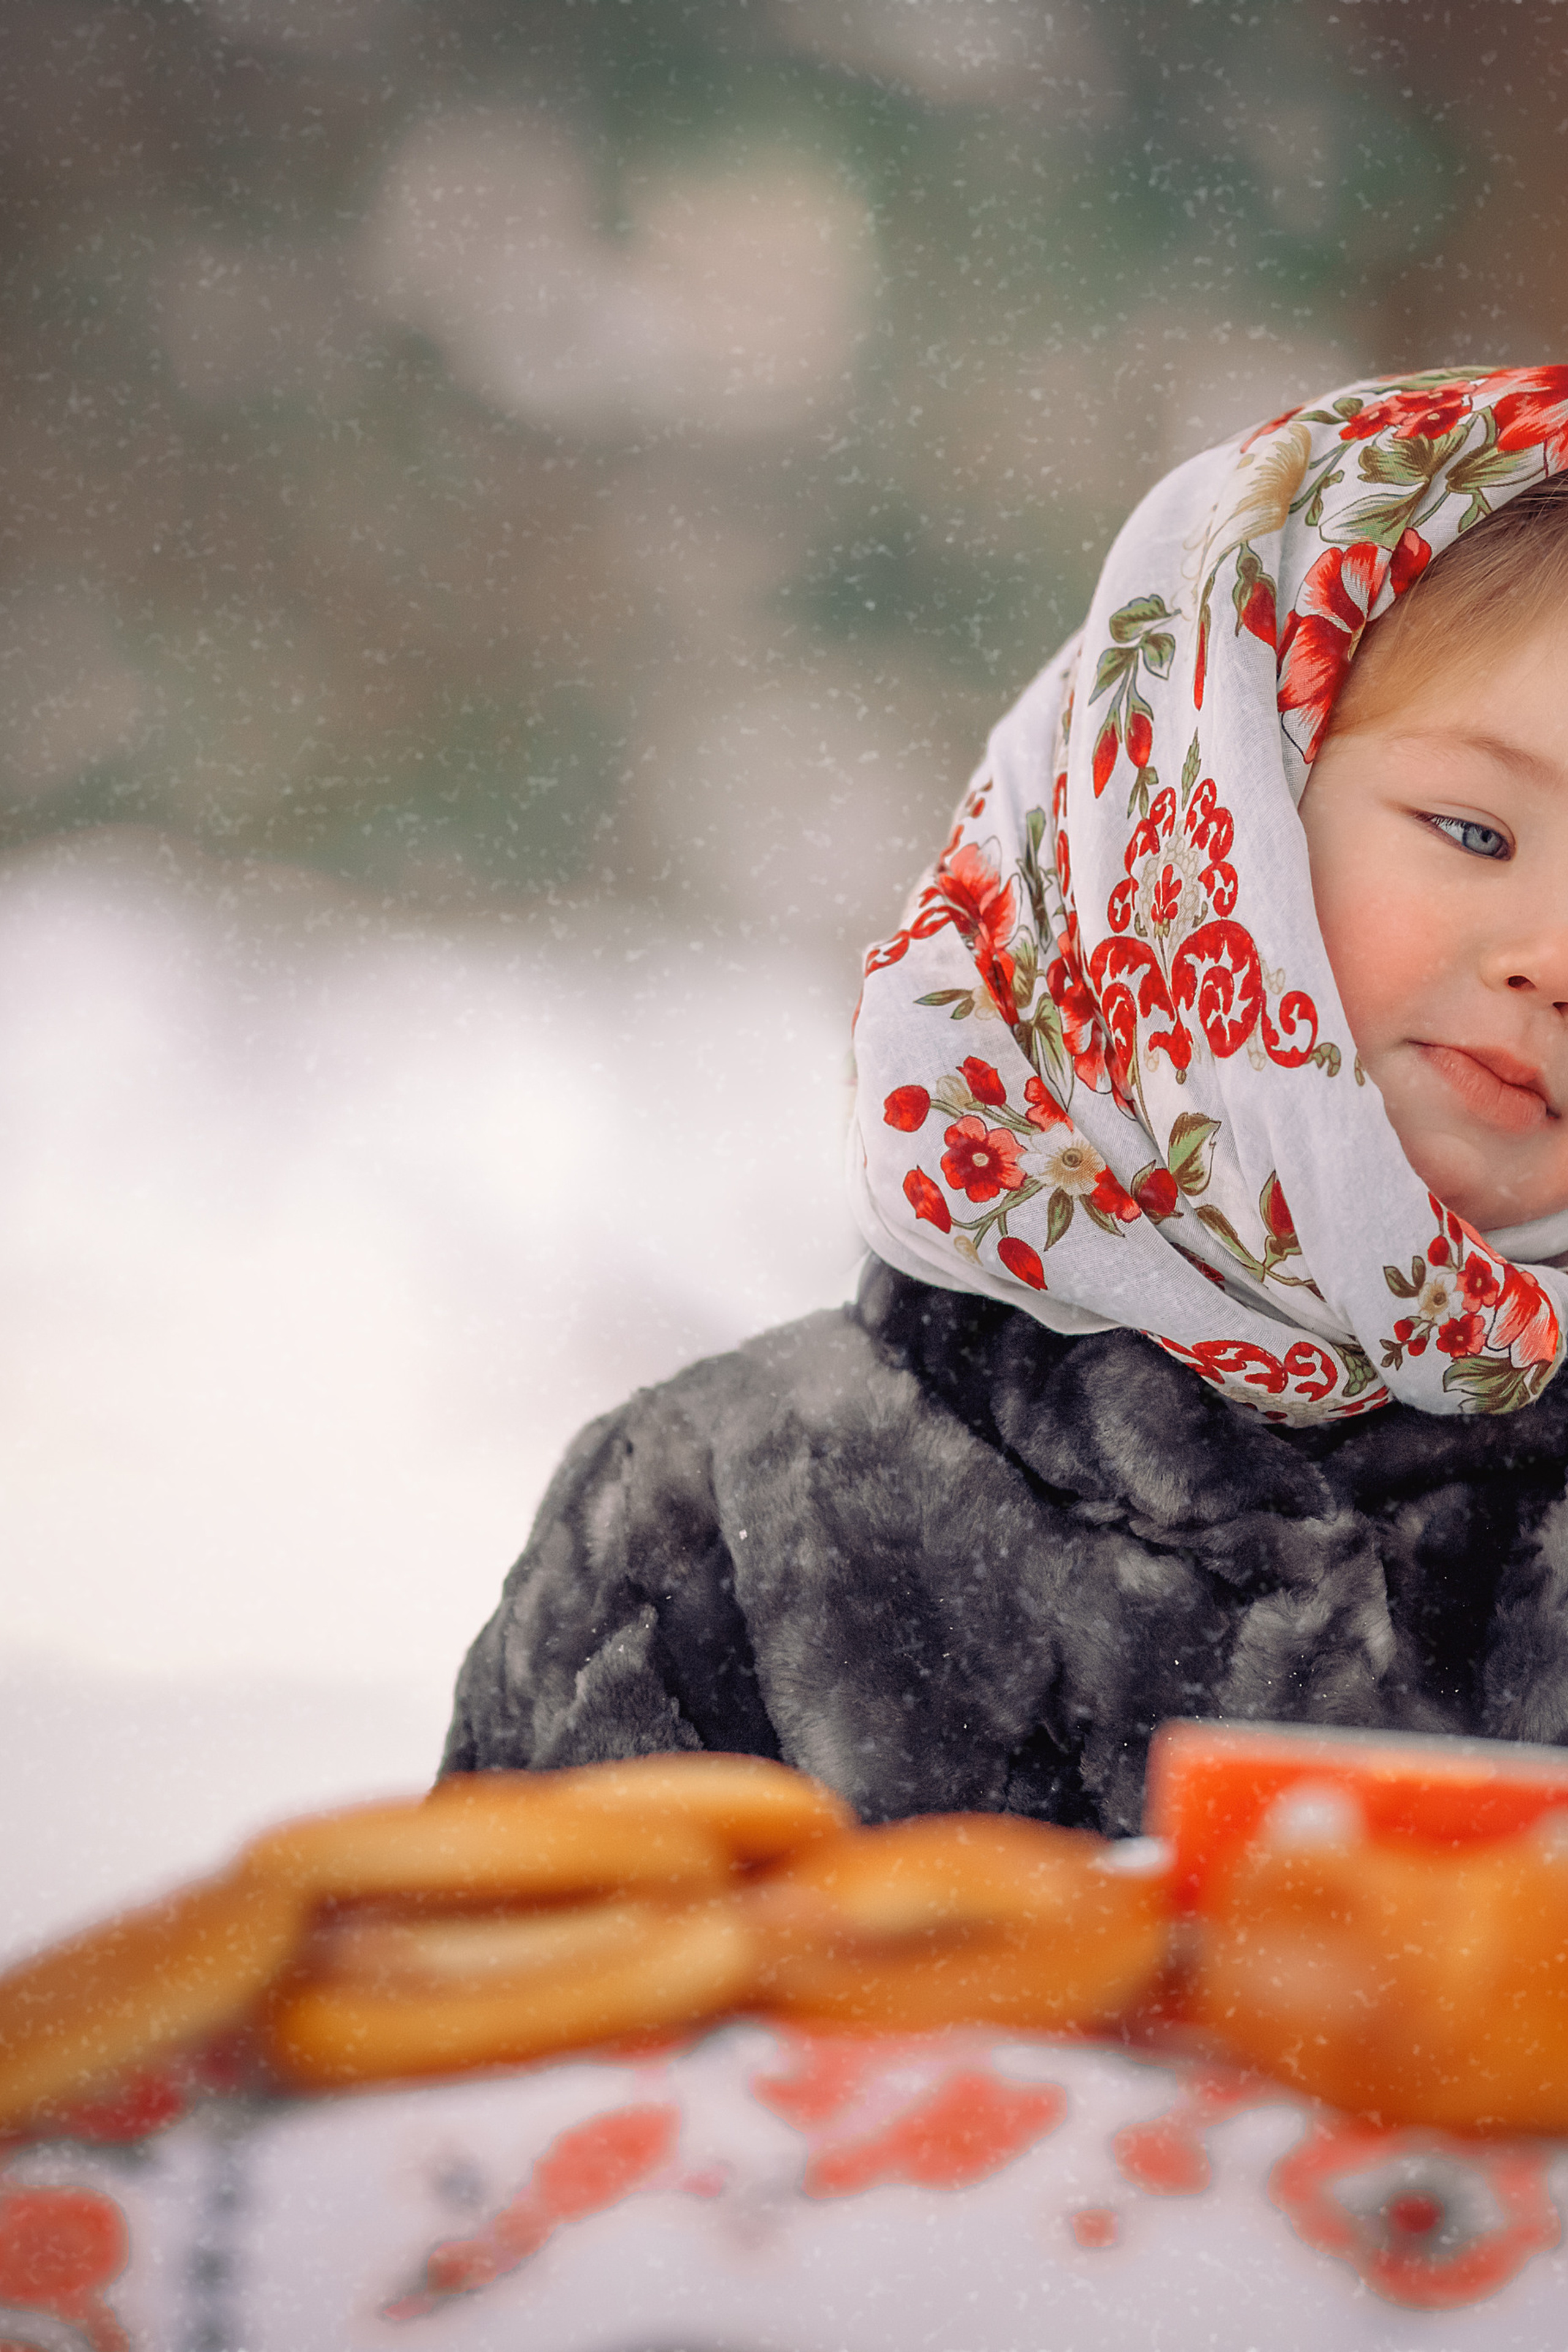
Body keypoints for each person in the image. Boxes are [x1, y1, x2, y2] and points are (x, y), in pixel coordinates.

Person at [444, 366, 1568, 1836]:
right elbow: (510, 2018)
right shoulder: (736, 1509)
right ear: (1189, 822)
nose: (1552, 959)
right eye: (1471, 829)